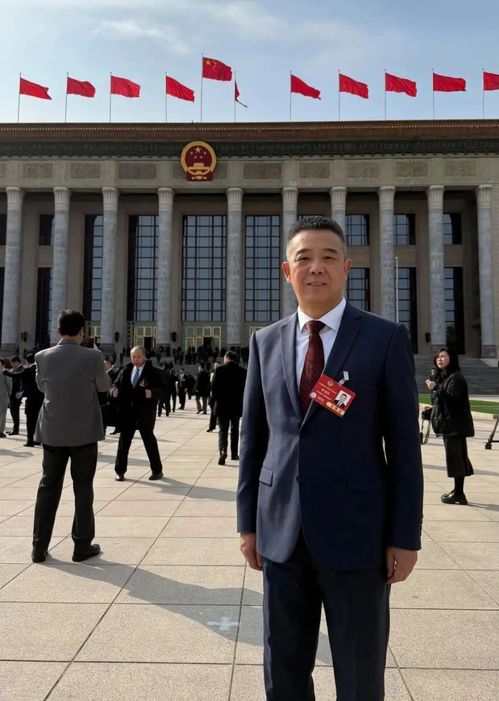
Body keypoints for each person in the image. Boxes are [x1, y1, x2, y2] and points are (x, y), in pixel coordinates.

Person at [237, 216, 424, 701]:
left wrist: (405, 536)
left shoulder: (383, 338)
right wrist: (248, 525)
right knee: (283, 670)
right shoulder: (266, 341)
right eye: (304, 259)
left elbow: (404, 447)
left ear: (346, 267)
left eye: (327, 258)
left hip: (358, 536)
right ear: (287, 271)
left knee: (360, 675)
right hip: (282, 536)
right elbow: (254, 440)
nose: (315, 268)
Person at [31, 310, 110, 563]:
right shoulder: (93, 356)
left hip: (53, 431)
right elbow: (104, 386)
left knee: (48, 487)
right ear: (82, 332)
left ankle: (39, 547)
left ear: (58, 331)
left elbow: (42, 386)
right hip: (84, 432)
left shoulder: (42, 356)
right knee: (83, 488)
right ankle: (82, 546)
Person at [426, 347, 474, 505]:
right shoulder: (445, 377)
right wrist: (432, 411)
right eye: (438, 357)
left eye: (443, 356)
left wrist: (435, 388)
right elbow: (443, 402)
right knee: (457, 458)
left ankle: (459, 494)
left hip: (455, 426)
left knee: (456, 458)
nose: (439, 359)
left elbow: (453, 399)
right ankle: (458, 491)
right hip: (450, 423)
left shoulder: (456, 378)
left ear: (451, 358)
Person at [113, 346, 164, 481]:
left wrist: (152, 393)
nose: (136, 359)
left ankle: (157, 470)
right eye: (133, 357)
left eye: (138, 357)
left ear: (144, 357)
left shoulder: (152, 372)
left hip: (144, 413)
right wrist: (113, 390)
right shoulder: (126, 370)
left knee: (149, 442)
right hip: (128, 413)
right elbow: (115, 384)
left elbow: (162, 389)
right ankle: (120, 471)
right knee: (123, 444)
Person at [212, 352, 247, 464]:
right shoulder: (243, 371)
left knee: (223, 430)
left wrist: (213, 402)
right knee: (234, 429)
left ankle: (223, 451)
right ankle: (234, 453)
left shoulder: (220, 369)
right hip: (236, 406)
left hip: (222, 406)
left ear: (226, 358)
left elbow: (214, 388)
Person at [22, 353, 44, 447]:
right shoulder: (42, 370)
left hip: (31, 399)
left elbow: (20, 379)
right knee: (39, 420)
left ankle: (30, 440)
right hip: (41, 398)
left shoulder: (27, 370)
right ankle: (38, 439)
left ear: (27, 361)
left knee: (30, 421)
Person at [3, 356, 24, 435]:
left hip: (16, 394)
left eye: (12, 363)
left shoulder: (21, 369)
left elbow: (16, 377)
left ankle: (16, 430)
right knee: (13, 411)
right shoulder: (15, 369)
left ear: (17, 362)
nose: (11, 365)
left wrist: (5, 371)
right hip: (12, 393)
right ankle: (15, 428)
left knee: (15, 411)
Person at [0, 359, 12, 438]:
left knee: (2, 414)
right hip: (3, 395)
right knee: (2, 414)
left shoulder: (6, 373)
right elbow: (9, 386)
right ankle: (0, 431)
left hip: (3, 396)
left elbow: (9, 385)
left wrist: (8, 394)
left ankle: (1, 431)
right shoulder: (6, 373)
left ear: (3, 365)